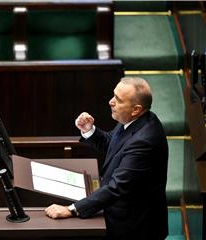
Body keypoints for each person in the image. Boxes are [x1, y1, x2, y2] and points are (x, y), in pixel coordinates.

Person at [45, 77, 169, 239]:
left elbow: (117, 187)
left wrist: (72, 209)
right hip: (125, 214)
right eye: (113, 95)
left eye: (118, 99)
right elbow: (113, 143)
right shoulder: (134, 120)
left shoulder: (144, 140)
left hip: (135, 226)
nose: (110, 102)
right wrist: (90, 130)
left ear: (136, 109)